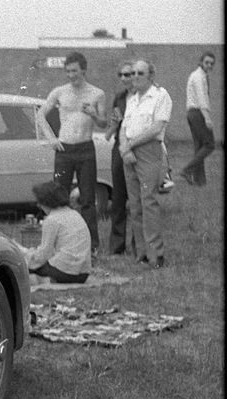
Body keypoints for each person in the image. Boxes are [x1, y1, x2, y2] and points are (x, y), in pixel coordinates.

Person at [41, 52, 108, 255]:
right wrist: (51, 138)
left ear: (84, 71)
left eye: (75, 71)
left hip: (86, 148)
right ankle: (60, 244)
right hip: (65, 149)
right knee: (59, 197)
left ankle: (91, 247)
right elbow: (40, 115)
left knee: (87, 199)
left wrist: (95, 115)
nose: (71, 75)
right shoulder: (59, 92)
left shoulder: (97, 93)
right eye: (68, 71)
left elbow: (104, 123)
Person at [119, 59, 172, 269]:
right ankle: (140, 253)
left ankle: (156, 254)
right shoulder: (132, 99)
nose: (135, 77)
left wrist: (130, 145)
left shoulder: (160, 96)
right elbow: (124, 126)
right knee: (134, 204)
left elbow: (157, 127)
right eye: (132, 73)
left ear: (151, 75)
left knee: (148, 200)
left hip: (149, 151)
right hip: (129, 153)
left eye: (140, 73)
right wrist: (124, 147)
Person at [21, 181, 91, 284]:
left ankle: (46, 280)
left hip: (64, 272)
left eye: (39, 203)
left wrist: (27, 260)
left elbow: (44, 254)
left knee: (23, 268)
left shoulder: (52, 219)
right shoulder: (74, 214)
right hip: (83, 274)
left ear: (45, 202)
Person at [104, 60, 134, 255]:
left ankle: (139, 245)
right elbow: (114, 123)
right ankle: (117, 246)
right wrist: (110, 129)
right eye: (121, 75)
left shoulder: (145, 97)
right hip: (119, 148)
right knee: (118, 198)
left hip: (138, 147)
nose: (124, 78)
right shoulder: (119, 98)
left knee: (137, 198)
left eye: (128, 74)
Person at [179, 51, 216, 186]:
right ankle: (187, 170)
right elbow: (201, 99)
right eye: (207, 62)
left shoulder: (199, 75)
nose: (209, 65)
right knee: (210, 145)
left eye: (212, 63)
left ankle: (200, 182)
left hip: (192, 113)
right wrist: (207, 118)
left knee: (199, 147)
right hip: (198, 113)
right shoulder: (199, 77)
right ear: (201, 62)